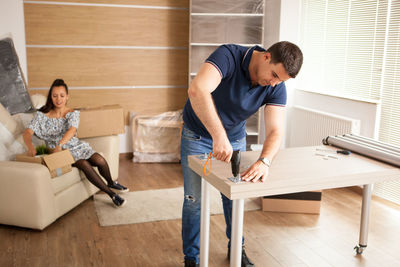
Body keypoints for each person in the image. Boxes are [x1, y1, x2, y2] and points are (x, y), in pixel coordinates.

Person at [181, 41, 303, 267]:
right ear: (266, 57)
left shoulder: (276, 85)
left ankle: (237, 249)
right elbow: (197, 90)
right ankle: (192, 258)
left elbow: (276, 131)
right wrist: (218, 136)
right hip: (197, 135)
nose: (273, 83)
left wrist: (264, 161)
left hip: (235, 139)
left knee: (233, 197)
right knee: (193, 200)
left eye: (280, 80)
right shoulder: (228, 56)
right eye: (274, 75)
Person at [23, 79, 129, 207]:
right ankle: (112, 194)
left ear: (67, 97)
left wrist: (60, 144)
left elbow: (72, 130)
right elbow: (27, 133)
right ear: (50, 97)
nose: (58, 99)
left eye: (62, 95)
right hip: (60, 153)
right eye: (55, 95)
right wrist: (30, 147)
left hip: (73, 146)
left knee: (99, 160)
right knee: (84, 164)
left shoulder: (72, 113)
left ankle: (111, 182)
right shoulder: (42, 115)